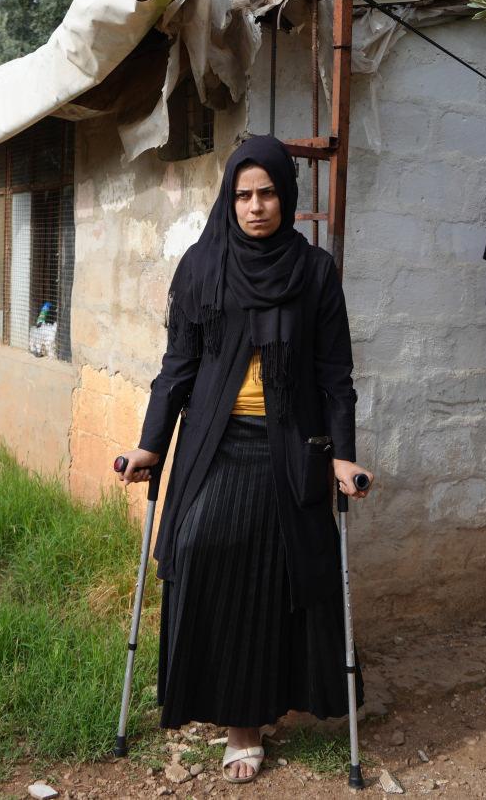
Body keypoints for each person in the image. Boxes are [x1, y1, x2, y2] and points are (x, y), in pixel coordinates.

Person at [116, 135, 373, 784]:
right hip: (214, 443)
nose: (255, 206)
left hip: (291, 445)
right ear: (229, 200)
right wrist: (151, 443)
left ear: (286, 197)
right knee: (201, 551)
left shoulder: (314, 272)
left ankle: (247, 725)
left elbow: (335, 374)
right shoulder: (202, 267)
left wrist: (343, 456)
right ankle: (216, 696)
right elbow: (178, 366)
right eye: (243, 195)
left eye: (267, 194)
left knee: (276, 577)